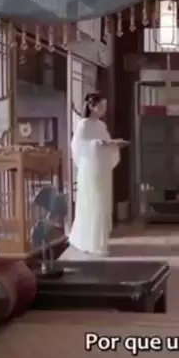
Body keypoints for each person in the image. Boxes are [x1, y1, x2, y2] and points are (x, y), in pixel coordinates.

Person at [63, 93, 127, 259]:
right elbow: (77, 146)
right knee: (92, 203)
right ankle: (91, 242)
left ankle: (100, 240)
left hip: (102, 168)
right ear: (92, 106)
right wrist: (98, 144)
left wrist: (114, 144)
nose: (104, 109)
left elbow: (106, 142)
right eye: (101, 106)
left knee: (103, 203)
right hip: (91, 169)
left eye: (105, 106)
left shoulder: (101, 125)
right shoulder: (83, 124)